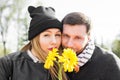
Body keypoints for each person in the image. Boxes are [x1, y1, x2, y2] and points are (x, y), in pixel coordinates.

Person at [0, 6, 67, 80]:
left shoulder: (62, 65)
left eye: (57, 35)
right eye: (46, 35)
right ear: (35, 38)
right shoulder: (8, 63)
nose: (54, 41)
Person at [61, 12, 120, 80]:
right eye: (66, 36)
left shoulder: (109, 63)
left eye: (78, 38)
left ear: (88, 37)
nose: (69, 44)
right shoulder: (54, 60)